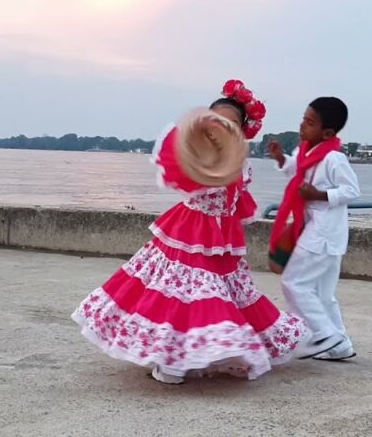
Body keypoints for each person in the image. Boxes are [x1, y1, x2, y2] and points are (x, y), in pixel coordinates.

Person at [72, 80, 306, 384]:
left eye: (232, 124)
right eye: (216, 123)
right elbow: (185, 176)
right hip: (189, 234)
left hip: (224, 241)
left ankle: (203, 356)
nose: (223, 129)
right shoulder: (198, 157)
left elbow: (238, 204)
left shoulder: (242, 166)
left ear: (242, 130)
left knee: (219, 299)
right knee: (185, 295)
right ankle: (172, 362)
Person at [267, 97, 360, 361]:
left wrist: (320, 194)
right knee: (323, 293)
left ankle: (323, 334)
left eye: (309, 123)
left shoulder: (334, 159)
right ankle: (339, 344)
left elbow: (352, 190)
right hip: (315, 229)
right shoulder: (305, 151)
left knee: (293, 282)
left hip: (324, 232)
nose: (302, 126)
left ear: (327, 132)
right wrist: (280, 158)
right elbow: (296, 171)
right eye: (303, 120)